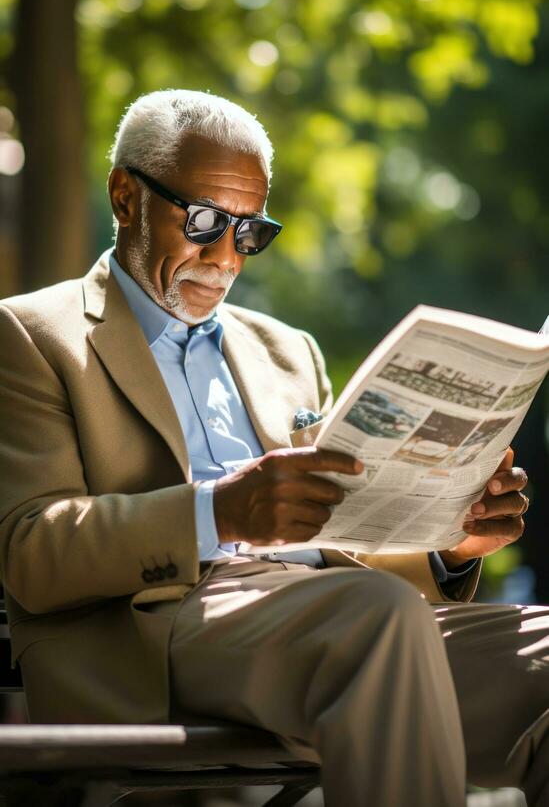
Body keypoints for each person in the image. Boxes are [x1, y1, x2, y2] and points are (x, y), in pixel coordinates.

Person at [0, 89, 547, 807]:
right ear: (125, 197)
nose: (226, 257)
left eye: (249, 232)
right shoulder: (30, 336)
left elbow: (341, 535)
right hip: (155, 631)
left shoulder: (288, 351)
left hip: (336, 620)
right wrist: (218, 512)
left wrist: (449, 545)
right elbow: (29, 551)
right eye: (203, 222)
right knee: (372, 618)